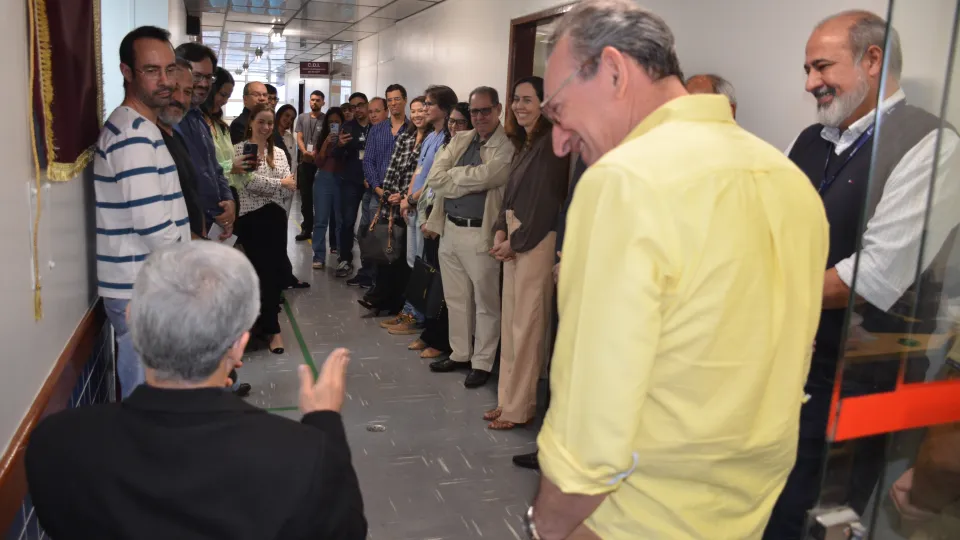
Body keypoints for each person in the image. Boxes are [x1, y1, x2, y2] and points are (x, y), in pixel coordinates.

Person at [526, 1, 829, 539]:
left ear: (614, 71)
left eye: (557, 110)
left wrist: (546, 523)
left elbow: (591, 423)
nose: (559, 139)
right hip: (746, 509)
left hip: (634, 515)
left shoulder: (624, 181)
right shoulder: (787, 178)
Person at [765, 11, 960, 539]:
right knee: (769, 506)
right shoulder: (808, 140)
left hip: (860, 377)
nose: (810, 83)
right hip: (789, 364)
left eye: (822, 66)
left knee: (815, 520)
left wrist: (756, 293)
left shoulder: (933, 145)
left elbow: (870, 279)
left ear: (873, 60)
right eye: (807, 68)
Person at [25, 241, 367, 540]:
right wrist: (325, 422)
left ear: (131, 321)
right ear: (238, 345)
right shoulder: (303, 458)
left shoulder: (56, 445)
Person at [95, 26, 191, 399]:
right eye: (152, 70)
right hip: (142, 291)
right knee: (149, 401)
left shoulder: (141, 127)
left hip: (146, 287)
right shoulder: (133, 136)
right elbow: (156, 230)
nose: (165, 81)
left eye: (169, 69)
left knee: (157, 397)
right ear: (127, 72)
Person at [485, 76, 568, 430]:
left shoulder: (554, 145)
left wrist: (514, 242)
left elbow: (547, 204)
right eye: (516, 99)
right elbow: (511, 195)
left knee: (528, 328)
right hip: (515, 240)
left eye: (528, 100)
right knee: (511, 323)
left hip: (535, 243)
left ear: (546, 104)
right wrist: (500, 230)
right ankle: (506, 401)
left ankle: (521, 407)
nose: (519, 106)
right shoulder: (526, 142)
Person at [422, 86, 516, 389]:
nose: (479, 117)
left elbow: (493, 176)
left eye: (485, 110)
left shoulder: (506, 146)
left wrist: (456, 178)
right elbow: (435, 178)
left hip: (481, 233)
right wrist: (469, 179)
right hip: (450, 228)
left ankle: (482, 362)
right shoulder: (460, 139)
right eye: (474, 111)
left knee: (486, 302)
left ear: (498, 110)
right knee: (456, 297)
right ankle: (460, 353)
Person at [511, 156, 587, 471]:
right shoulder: (587, 148)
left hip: (590, 271)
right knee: (563, 360)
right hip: (570, 262)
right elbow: (571, 207)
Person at [380, 87, 458, 336]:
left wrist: (412, 198)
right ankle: (411, 311)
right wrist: (406, 198)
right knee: (414, 263)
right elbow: (418, 171)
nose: (424, 108)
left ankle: (419, 316)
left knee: (424, 265)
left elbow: (435, 179)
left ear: (443, 109)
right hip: (414, 206)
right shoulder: (430, 137)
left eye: (428, 104)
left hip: (427, 209)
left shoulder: (447, 139)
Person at [405, 101, 471, 357]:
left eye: (459, 122)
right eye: (452, 122)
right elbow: (432, 183)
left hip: (449, 224)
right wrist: (424, 216)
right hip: (431, 219)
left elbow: (450, 188)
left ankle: (441, 341)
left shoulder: (469, 152)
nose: (454, 127)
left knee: (446, 289)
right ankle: (430, 332)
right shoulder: (446, 145)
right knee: (431, 280)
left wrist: (433, 220)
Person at [232, 104, 297, 355]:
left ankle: (273, 328)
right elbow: (247, 183)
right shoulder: (240, 151)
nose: (266, 127)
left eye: (270, 123)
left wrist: (278, 184)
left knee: (273, 275)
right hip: (250, 220)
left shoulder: (278, 153)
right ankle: (253, 327)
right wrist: (279, 183)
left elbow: (289, 186)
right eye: (262, 122)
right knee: (255, 276)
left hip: (276, 218)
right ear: (251, 122)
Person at [359, 94, 424, 313]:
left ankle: (396, 301)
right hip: (384, 198)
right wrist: (382, 191)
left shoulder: (422, 136)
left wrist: (404, 195)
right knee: (384, 246)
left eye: (420, 111)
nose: (417, 115)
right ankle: (381, 294)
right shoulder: (391, 133)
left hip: (411, 203)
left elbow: (421, 174)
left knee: (404, 255)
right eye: (390, 99)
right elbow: (374, 162)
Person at [173, 42, 236, 242]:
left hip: (211, 227)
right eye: (196, 76)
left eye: (208, 77)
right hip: (186, 232)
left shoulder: (200, 119)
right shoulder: (170, 122)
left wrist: (228, 200)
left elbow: (214, 169)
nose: (203, 83)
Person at [351, 85, 409, 289]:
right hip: (379, 194)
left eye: (397, 99)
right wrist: (377, 189)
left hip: (403, 197)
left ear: (405, 100)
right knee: (374, 238)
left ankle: (395, 289)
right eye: (390, 99)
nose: (394, 103)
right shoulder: (377, 130)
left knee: (398, 243)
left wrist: (401, 194)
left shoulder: (412, 130)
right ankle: (375, 283)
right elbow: (368, 162)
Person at [157, 60, 205, 240]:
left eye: (188, 92)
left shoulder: (177, 137)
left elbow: (191, 191)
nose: (181, 99)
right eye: (174, 88)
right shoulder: (149, 139)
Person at [333, 92, 371, 278]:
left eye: (361, 105)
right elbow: (336, 157)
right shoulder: (347, 128)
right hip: (351, 181)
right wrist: (339, 146)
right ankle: (345, 258)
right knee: (347, 221)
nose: (357, 109)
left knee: (369, 223)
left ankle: (370, 263)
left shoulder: (377, 126)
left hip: (373, 182)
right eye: (353, 107)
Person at [200, 68, 253, 197]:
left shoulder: (221, 127)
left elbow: (232, 172)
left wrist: (245, 168)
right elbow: (199, 168)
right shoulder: (195, 124)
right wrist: (230, 167)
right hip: (208, 196)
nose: (225, 101)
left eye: (228, 97)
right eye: (222, 95)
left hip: (228, 194)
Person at [311, 107, 345, 270]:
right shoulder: (321, 138)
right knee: (320, 220)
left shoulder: (346, 137)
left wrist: (341, 144)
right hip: (323, 179)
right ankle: (318, 256)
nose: (334, 125)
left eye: (337, 122)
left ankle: (341, 254)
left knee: (340, 221)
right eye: (331, 122)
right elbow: (317, 162)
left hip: (341, 181)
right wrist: (325, 144)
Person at [295, 90, 326, 242]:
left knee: (319, 199)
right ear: (309, 101)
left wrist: (317, 153)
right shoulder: (302, 118)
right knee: (306, 199)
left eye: (318, 100)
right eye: (312, 100)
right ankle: (306, 228)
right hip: (305, 164)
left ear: (323, 103)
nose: (314, 102)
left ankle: (319, 230)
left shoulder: (326, 119)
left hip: (320, 165)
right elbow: (299, 136)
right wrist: (304, 151)